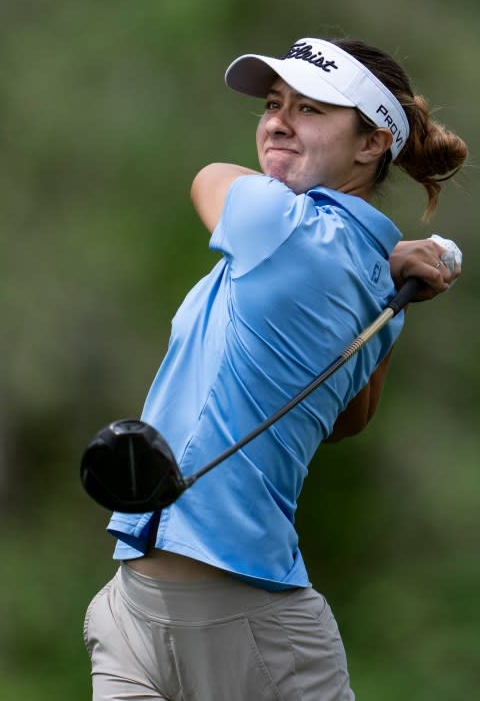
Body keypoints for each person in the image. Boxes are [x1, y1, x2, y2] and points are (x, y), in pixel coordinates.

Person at [83, 37, 467, 700]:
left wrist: (383, 266)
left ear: (373, 142)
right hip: (135, 610)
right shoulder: (363, 272)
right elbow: (347, 418)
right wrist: (387, 273)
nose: (278, 122)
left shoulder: (277, 223)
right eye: (272, 104)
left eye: (310, 109)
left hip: (254, 629)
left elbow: (207, 176)